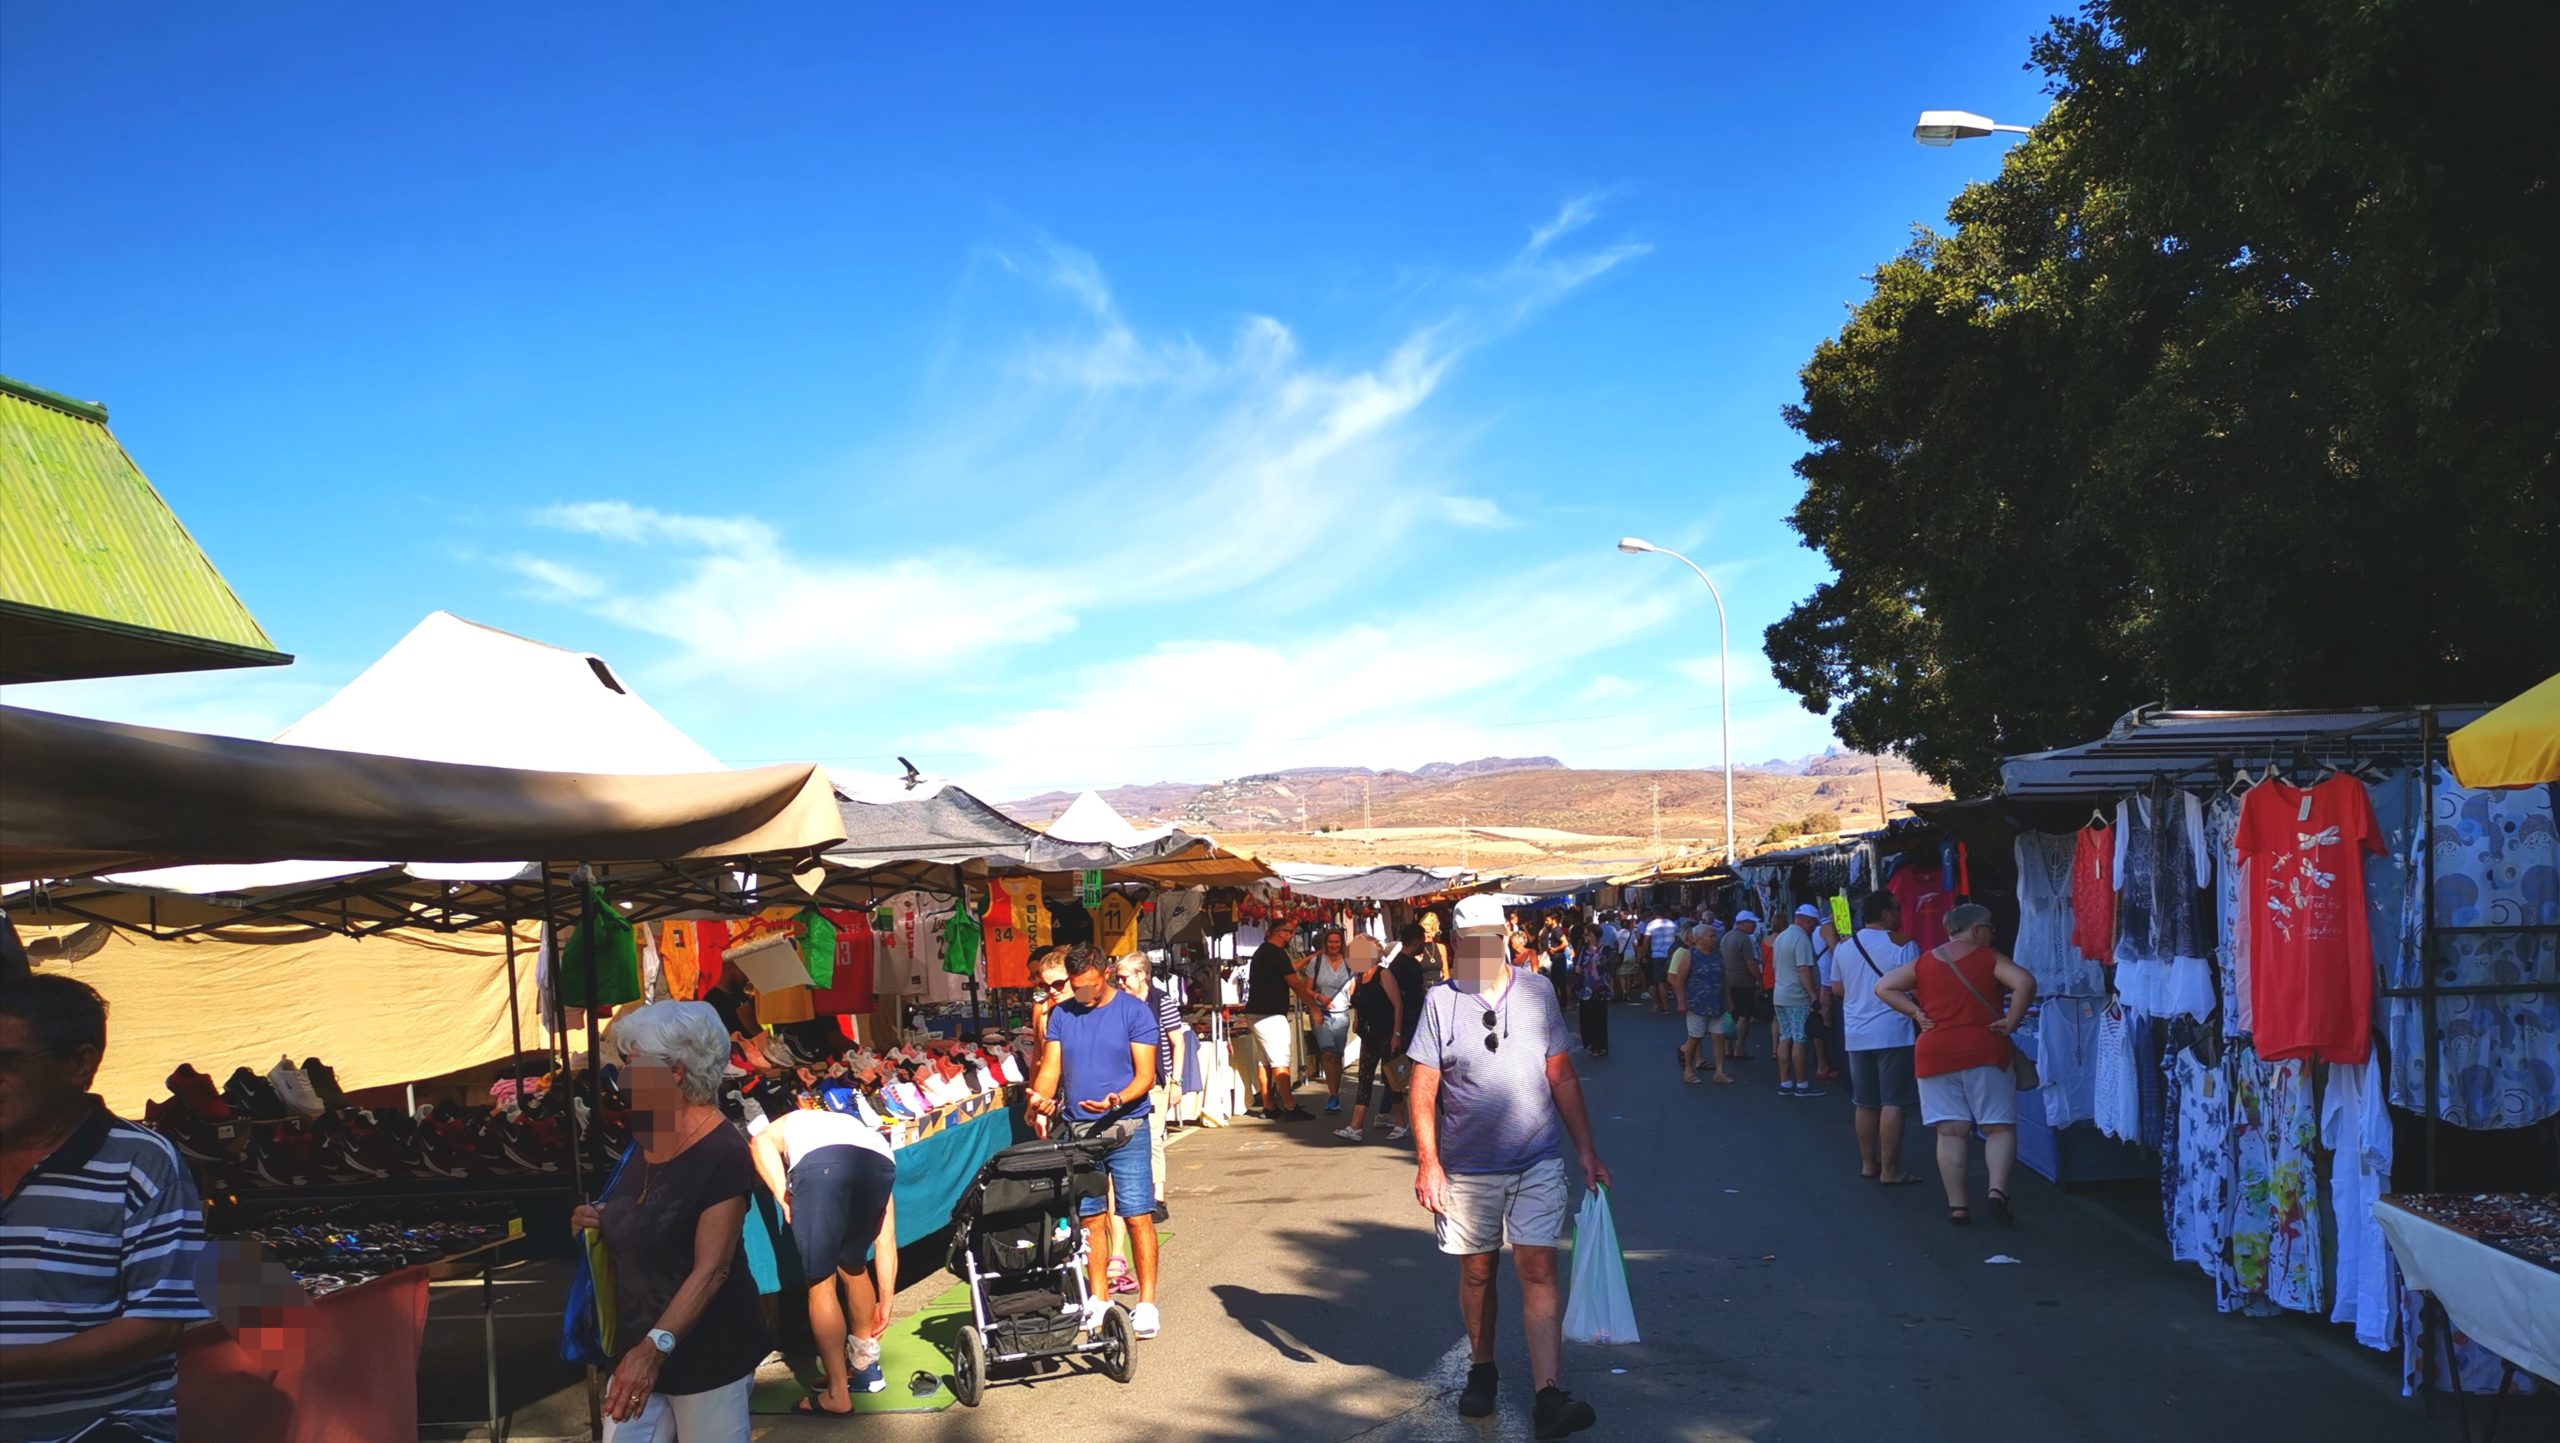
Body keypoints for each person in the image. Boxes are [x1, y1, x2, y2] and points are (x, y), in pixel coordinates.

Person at [1409, 900, 1608, 1440]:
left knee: (1538, 1269)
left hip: (1537, 1158)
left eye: (1488, 938)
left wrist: (1587, 1152)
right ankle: (1483, 1366)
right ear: (1454, 942)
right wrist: (1429, 1163)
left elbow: (1562, 1075)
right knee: (1477, 1271)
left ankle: (1548, 1394)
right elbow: (1423, 1088)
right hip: (1468, 1167)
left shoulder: (1538, 991)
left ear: (1504, 938)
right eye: (1467, 938)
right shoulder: (1439, 1001)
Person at [0, 976, 209, 1443]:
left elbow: (156, 1325)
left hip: (96, 1431)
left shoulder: (142, 1164)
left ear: (79, 1063)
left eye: (6, 1062)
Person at [577, 1001, 770, 1439]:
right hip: (636, 1346)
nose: (623, 1076)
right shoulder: (649, 1132)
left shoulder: (721, 1151)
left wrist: (653, 1348)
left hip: (705, 1355)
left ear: (676, 1072)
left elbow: (713, 1268)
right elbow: (653, 1207)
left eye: (632, 1063)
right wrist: (601, 1218)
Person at [1027, 945, 1163, 1339]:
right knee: (1091, 1219)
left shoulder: (1133, 1011)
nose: (1083, 993)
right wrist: (1040, 1097)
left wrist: (1118, 1098)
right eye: (1076, 986)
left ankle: (1148, 1303)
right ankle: (1099, 1298)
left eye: (1089, 985)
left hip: (1127, 1128)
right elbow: (1050, 1069)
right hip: (1080, 1132)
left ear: (1104, 973)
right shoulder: (1061, 1015)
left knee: (1137, 1215)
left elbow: (1146, 1075)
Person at [1872, 903, 2036, 1225]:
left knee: (1950, 1132)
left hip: (1935, 1052)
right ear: (1976, 929)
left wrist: (1916, 1013)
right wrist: (2011, 1020)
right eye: (1989, 927)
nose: (1992, 933)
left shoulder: (1924, 962)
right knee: (1998, 1127)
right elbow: (2025, 983)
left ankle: (1958, 1206)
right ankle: (1997, 1192)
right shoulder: (1988, 958)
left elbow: (1883, 987)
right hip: (1985, 1048)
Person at [747, 1100, 899, 1414]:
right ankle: (865, 1369)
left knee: (820, 1280)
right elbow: (886, 1240)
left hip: (820, 1166)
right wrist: (886, 1300)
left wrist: (782, 1194)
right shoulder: (860, 1132)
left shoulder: (791, 1121)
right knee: (853, 1261)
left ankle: (837, 1394)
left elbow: (758, 1142)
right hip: (881, 1162)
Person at [1832, 892, 1923, 1186]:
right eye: (1897, 908)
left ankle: (1869, 1164)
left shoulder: (1845, 947)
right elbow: (1918, 986)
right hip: (1893, 1031)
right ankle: (1891, 1169)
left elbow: (1836, 988)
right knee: (1893, 1102)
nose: (1899, 913)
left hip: (1857, 1033)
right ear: (1886, 913)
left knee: (1865, 1103)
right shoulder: (1903, 944)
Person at [1117, 951, 1183, 1224]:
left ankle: (1157, 1198)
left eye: (1124, 977)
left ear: (1142, 975)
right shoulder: (1116, 1003)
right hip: (1124, 1080)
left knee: (1154, 1139)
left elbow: (1177, 1042)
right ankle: (1132, 1194)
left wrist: (1176, 1082)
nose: (1120, 983)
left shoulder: (1161, 1001)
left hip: (1156, 1080)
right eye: (1117, 978)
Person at [1242, 920, 1321, 1121]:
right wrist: (1312, 1006)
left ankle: (1269, 1104)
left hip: (1257, 1012)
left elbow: (1288, 969)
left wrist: (1309, 959)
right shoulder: (1275, 953)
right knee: (1279, 1060)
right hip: (1270, 1015)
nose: (1292, 936)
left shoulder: (1263, 952)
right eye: (1289, 932)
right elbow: (1294, 982)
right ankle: (1289, 1105)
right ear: (1279, 933)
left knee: (1265, 1060)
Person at [1335, 936, 1405, 1141]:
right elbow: (1358, 1003)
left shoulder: (1384, 975)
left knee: (1393, 1081)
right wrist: (1357, 1018)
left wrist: (1396, 1035)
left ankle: (1402, 1122)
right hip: (1369, 1036)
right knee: (1364, 1079)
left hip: (1387, 1034)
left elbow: (1398, 1005)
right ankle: (1356, 1126)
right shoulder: (1358, 977)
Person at [1771, 905, 1826, 1098]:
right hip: (1796, 996)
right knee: (1799, 1038)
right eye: (1813, 925)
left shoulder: (1781, 937)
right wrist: (1813, 995)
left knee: (1785, 1037)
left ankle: (1785, 1082)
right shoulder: (1801, 939)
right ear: (1809, 921)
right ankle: (1802, 1084)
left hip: (1780, 994)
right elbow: (1804, 969)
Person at [1668, 926, 1733, 1085]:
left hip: (1716, 1003)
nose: (1714, 939)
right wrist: (1681, 1002)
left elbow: (1723, 978)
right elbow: (1680, 980)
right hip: (1697, 1004)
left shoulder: (1718, 954)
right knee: (1695, 1038)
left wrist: (1728, 1000)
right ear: (1700, 938)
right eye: (1711, 936)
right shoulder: (1690, 955)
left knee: (1719, 1037)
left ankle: (1719, 1072)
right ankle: (1688, 1070)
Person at [1306, 928, 1359, 1115]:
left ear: (1341, 944)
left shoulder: (1349, 964)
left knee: (1337, 1055)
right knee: (1327, 1054)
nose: (1334, 945)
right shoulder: (1316, 962)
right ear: (1325, 943)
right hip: (1322, 1014)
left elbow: (1354, 993)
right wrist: (1320, 998)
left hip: (1342, 1014)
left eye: (1337, 942)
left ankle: (1336, 1092)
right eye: (1331, 942)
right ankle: (1333, 1095)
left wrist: (1358, 1015)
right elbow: (1307, 990)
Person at [1720, 913, 1763, 1063]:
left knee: (1730, 1015)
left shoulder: (1726, 937)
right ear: (1743, 923)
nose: (1755, 926)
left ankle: (1727, 1048)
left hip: (1728, 980)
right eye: (1752, 923)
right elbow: (1751, 963)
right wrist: (1760, 980)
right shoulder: (1745, 939)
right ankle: (1739, 1048)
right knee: (1744, 1016)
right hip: (1744, 982)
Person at [1572, 920, 1612, 1057]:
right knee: (1587, 1017)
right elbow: (1578, 964)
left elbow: (1605, 964)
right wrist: (1578, 967)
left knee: (1599, 1017)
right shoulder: (1584, 949)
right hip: (1585, 987)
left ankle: (1601, 1046)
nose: (1585, 938)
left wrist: (1597, 959)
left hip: (1600, 987)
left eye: (1587, 935)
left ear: (1594, 935)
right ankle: (1591, 1043)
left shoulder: (1605, 949)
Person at [1028, 947, 1071, 1050]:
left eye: (1038, 973)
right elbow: (1038, 1054)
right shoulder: (1041, 1006)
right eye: (1032, 976)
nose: (1037, 980)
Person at [1639, 910, 1679, 1013]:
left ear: (1654, 914)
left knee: (1660, 981)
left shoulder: (1651, 925)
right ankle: (1680, 1003)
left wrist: (1643, 954)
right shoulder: (1672, 924)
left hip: (1657, 955)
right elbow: (1678, 938)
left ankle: (1665, 1006)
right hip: (1671, 955)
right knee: (1672, 979)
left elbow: (1646, 941)